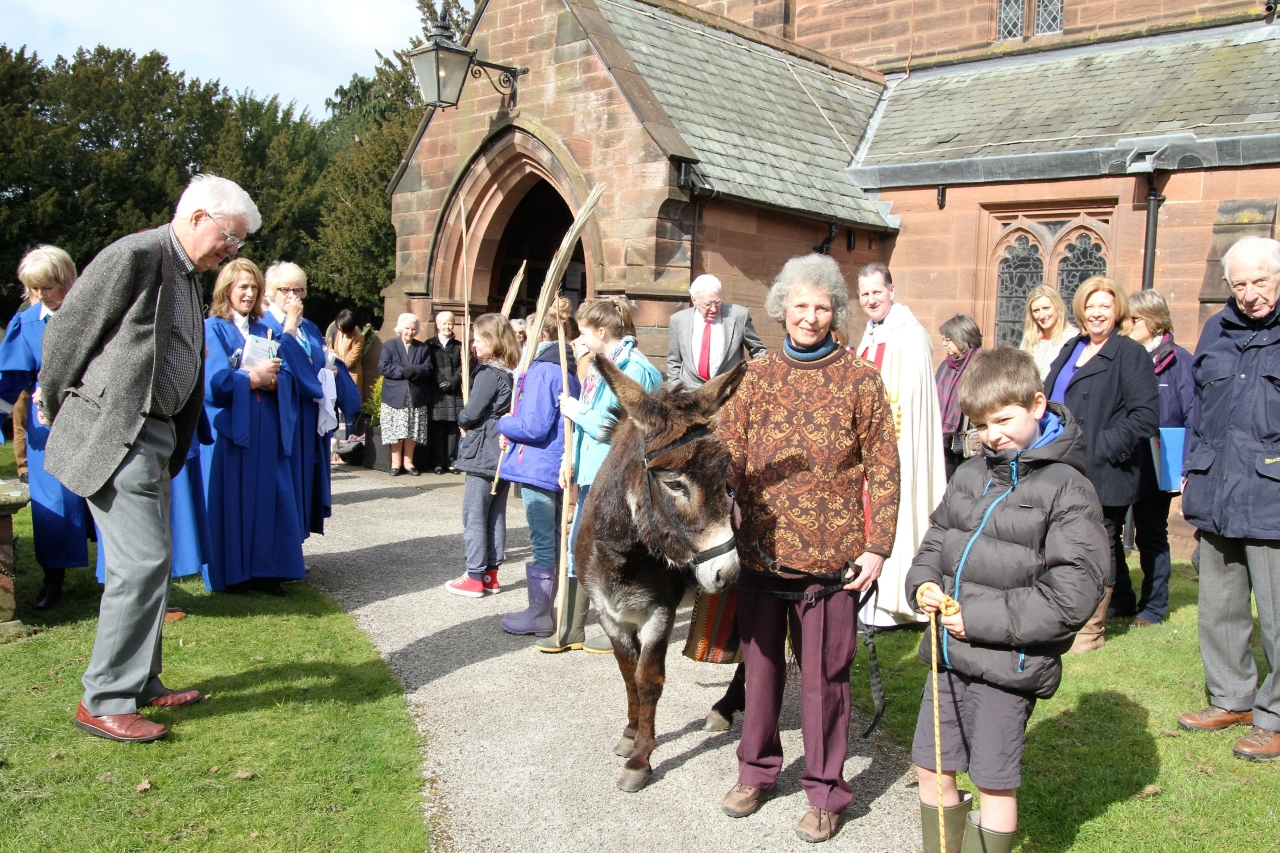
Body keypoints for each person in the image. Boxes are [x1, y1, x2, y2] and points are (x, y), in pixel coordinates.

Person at [39, 173, 258, 742]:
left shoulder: (186, 274)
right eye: (228, 238)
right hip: (119, 434)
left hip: (155, 437)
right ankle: (105, 698)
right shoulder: (135, 255)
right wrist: (69, 406)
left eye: (237, 243)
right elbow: (67, 335)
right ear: (196, 218)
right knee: (140, 563)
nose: (231, 252)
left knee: (152, 562)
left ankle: (142, 682)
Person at [717, 254, 899, 843]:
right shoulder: (755, 376)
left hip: (833, 560)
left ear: (834, 313)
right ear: (782, 309)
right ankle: (756, 771)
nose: (811, 317)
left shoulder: (860, 379)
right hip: (761, 555)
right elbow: (728, 455)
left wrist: (877, 546)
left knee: (825, 679)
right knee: (762, 671)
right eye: (800, 306)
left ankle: (824, 791)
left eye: (822, 307)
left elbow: (887, 469)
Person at [906, 347, 1107, 853]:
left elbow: (1071, 596)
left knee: (993, 781)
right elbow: (936, 540)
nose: (993, 434)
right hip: (947, 660)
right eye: (981, 424)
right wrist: (923, 584)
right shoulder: (971, 474)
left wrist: (975, 618)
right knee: (931, 769)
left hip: (1007, 664)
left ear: (1038, 404)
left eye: (1004, 419)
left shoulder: (1069, 489)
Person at [1178, 235, 1280, 761]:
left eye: (1259, 281)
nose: (1249, 294)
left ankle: (1277, 715)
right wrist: (1191, 470)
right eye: (1239, 284)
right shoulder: (1218, 327)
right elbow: (1198, 409)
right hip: (1217, 487)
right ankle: (1232, 697)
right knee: (1218, 606)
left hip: (1273, 496)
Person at [1043, 276, 1158, 652]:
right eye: (1090, 306)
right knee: (1058, 539)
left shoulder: (1129, 353)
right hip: (1059, 462)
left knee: (1098, 544)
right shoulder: (1071, 348)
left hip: (1103, 468)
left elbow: (1144, 416)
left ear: (1117, 311)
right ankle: (1063, 613)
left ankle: (1090, 631)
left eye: (1105, 307)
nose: (1096, 313)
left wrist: (1102, 446)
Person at [542, 297, 663, 653]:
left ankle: (621, 628)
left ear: (601, 331)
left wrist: (576, 410)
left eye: (582, 332)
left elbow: (616, 429)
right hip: (593, 470)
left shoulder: (635, 369)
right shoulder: (600, 364)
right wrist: (570, 460)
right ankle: (571, 627)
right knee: (580, 542)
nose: (578, 339)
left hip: (617, 474)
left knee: (614, 548)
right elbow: (586, 430)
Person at [201, 258, 311, 596]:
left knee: (272, 498)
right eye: (242, 287)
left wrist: (276, 383)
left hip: (268, 428)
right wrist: (250, 378)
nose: (248, 294)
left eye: (253, 288)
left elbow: (292, 375)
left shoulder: (268, 329)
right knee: (234, 499)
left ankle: (269, 571)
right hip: (234, 430)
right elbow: (213, 382)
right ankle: (236, 575)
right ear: (227, 290)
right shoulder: (213, 328)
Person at [855, 262, 945, 626]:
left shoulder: (909, 334)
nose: (872, 299)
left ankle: (896, 600)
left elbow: (911, 399)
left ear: (891, 290)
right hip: (867, 447)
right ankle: (867, 592)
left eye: (877, 291)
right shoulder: (871, 334)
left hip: (899, 444)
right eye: (865, 294)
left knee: (897, 511)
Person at [0, 245, 90, 610]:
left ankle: (116, 578)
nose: (41, 296)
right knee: (51, 501)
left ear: (67, 281)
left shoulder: (91, 315)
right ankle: (53, 580)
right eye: (34, 289)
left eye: (48, 287)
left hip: (91, 423)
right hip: (46, 431)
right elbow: (10, 380)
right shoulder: (27, 322)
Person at [496, 298, 580, 637]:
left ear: (538, 334)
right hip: (553, 466)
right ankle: (544, 611)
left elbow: (532, 425)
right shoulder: (566, 368)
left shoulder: (544, 370)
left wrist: (504, 422)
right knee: (555, 539)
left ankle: (540, 613)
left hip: (540, 467)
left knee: (543, 540)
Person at [1125, 289, 1194, 627]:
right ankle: (1121, 598)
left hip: (1162, 453)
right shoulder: (1126, 355)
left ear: (1152, 321)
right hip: (1126, 452)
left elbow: (1192, 414)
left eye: (1133, 319)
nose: (1127, 324)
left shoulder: (1180, 361)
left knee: (1151, 531)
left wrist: (1183, 467)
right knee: (1108, 530)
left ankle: (1153, 606)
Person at [448, 314, 519, 598]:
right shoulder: (511, 371)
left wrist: (463, 420)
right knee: (495, 514)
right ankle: (491, 574)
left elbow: (473, 411)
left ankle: (475, 575)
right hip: (501, 451)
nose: (473, 346)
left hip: (484, 451)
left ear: (492, 341)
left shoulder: (490, 374)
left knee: (475, 514)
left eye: (478, 340)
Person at [260, 262, 332, 536]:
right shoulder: (264, 324)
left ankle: (299, 541)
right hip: (283, 409)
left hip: (310, 412)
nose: (292, 296)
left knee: (306, 477)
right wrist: (288, 326)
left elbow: (321, 357)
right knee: (285, 477)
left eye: (298, 290)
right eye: (285, 290)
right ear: (271, 292)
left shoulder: (310, 327)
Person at [666, 273, 767, 389]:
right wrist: (675, 391)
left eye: (717, 302)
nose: (713, 309)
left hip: (728, 392)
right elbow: (674, 361)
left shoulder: (739, 316)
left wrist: (756, 380)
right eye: (707, 304)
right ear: (694, 300)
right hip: (690, 395)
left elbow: (759, 350)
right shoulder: (678, 320)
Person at [378, 314, 433, 476]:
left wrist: (415, 370)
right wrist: (402, 372)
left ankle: (408, 463)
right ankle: (395, 464)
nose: (410, 332)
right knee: (396, 432)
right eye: (407, 328)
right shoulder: (389, 345)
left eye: (413, 329)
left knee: (412, 431)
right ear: (400, 328)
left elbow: (429, 368)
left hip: (416, 397)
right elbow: (384, 367)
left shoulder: (422, 347)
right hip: (395, 396)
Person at [935, 314, 983, 481]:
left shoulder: (983, 364)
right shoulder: (946, 365)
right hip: (947, 441)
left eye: (948, 339)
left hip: (973, 443)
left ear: (962, 338)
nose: (944, 344)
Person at [426, 311, 463, 474]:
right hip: (437, 392)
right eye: (444, 323)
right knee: (438, 430)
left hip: (454, 392)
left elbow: (463, 367)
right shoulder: (429, 344)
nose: (447, 326)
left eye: (450, 323)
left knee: (452, 430)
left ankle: (451, 461)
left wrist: (453, 381)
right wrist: (440, 380)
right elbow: (429, 366)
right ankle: (438, 463)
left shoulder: (459, 346)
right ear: (438, 325)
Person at [1021, 285, 1079, 379]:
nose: (1042, 315)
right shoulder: (1028, 341)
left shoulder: (1074, 339)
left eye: (1046, 308)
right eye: (1036, 310)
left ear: (1057, 307)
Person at [331, 309, 364, 399]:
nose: (340, 329)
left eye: (342, 327)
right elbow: (329, 352)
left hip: (351, 376)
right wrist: (338, 356)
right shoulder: (335, 332)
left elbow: (349, 363)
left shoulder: (358, 337)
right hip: (336, 374)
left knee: (349, 408)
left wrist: (335, 357)